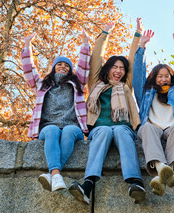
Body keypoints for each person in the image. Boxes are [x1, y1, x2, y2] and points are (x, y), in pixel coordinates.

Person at [69, 19, 145, 205]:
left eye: (122, 68)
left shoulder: (126, 85)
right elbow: (96, 57)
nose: (118, 70)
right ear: (108, 69)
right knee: (104, 131)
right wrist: (104, 33)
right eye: (115, 67)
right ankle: (88, 185)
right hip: (99, 127)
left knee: (118, 130)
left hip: (123, 127)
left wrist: (138, 35)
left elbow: (133, 62)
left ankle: (135, 183)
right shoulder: (96, 84)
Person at [21, 30, 91, 192]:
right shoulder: (42, 85)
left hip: (73, 127)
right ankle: (55, 174)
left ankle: (53, 174)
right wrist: (27, 45)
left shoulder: (77, 84)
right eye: (59, 64)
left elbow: (84, 66)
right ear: (53, 68)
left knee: (68, 131)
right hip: (48, 126)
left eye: (67, 65)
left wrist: (85, 43)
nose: (63, 67)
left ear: (70, 70)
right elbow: (29, 70)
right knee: (53, 130)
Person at [132, 30, 174, 196]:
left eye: (166, 76)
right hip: (153, 127)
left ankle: (164, 174)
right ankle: (162, 167)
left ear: (171, 77)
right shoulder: (145, 92)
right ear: (154, 78)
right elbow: (137, 74)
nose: (163, 79)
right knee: (145, 129)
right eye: (159, 76)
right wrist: (142, 46)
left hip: (171, 127)